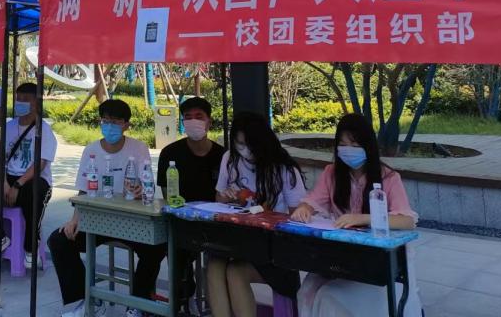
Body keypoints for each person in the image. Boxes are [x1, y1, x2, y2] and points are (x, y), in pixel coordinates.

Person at [291, 113, 422, 317]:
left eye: (354, 145)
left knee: (329, 297)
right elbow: (313, 200)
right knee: (306, 293)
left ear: (368, 146)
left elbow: (407, 221)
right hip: (342, 256)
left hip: (376, 261)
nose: (348, 151)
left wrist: (362, 218)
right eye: (343, 145)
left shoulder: (388, 177)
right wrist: (304, 209)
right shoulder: (332, 173)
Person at [48, 99, 160, 317]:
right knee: (59, 240)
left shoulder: (138, 149)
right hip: (97, 221)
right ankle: (88, 300)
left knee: (156, 248)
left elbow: (148, 185)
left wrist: (141, 191)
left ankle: (139, 303)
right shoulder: (91, 150)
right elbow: (83, 192)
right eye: (105, 121)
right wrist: (74, 220)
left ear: (126, 125)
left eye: (115, 121)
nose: (109, 126)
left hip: (131, 221)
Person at [207, 111, 307, 317]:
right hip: (238, 237)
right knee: (214, 265)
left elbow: (297, 216)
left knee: (235, 272)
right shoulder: (230, 159)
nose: (245, 150)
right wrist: (227, 197)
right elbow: (218, 199)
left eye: (249, 144)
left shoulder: (284, 169)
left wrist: (268, 214)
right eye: (239, 144)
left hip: (273, 247)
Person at [145, 96, 225, 308]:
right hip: (180, 219)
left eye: (199, 116)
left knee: (222, 260)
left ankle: (216, 302)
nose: (193, 121)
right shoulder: (170, 153)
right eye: (188, 117)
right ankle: (182, 299)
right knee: (171, 247)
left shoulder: (223, 156)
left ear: (209, 122)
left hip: (216, 222)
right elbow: (166, 193)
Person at [0, 82, 56, 263]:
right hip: (9, 177)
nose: (20, 103)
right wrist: (4, 183)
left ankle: (30, 249)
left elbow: (40, 163)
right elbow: (0, 158)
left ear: (36, 103)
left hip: (33, 179)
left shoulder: (44, 130)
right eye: (18, 99)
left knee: (33, 197)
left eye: (25, 99)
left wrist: (17, 185)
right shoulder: (9, 126)